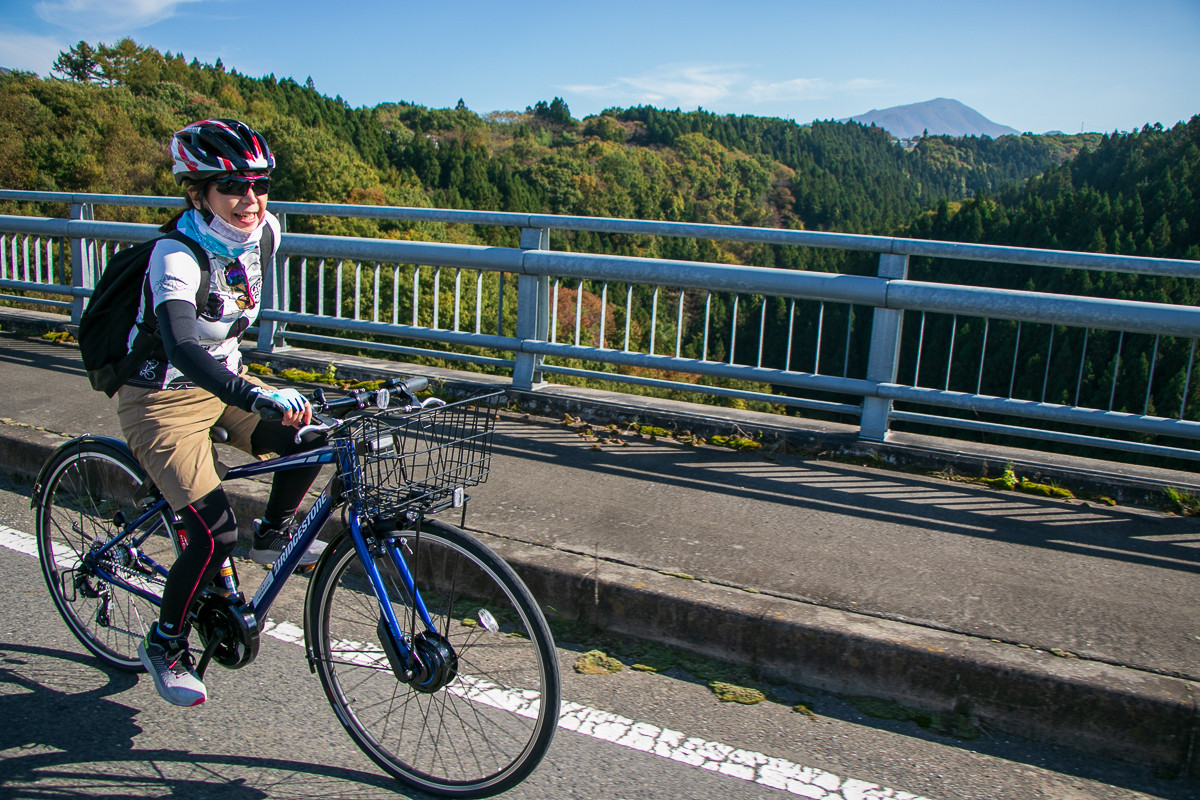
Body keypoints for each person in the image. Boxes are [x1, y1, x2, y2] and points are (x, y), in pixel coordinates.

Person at [123, 119, 325, 707]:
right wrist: (255, 395)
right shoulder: (175, 255)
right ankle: (165, 642)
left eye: (259, 186)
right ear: (197, 193)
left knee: (308, 437)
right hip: (160, 400)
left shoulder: (265, 234)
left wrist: (249, 392)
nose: (251, 201)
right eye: (232, 187)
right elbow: (184, 345)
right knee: (213, 536)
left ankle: (275, 533)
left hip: (226, 385)